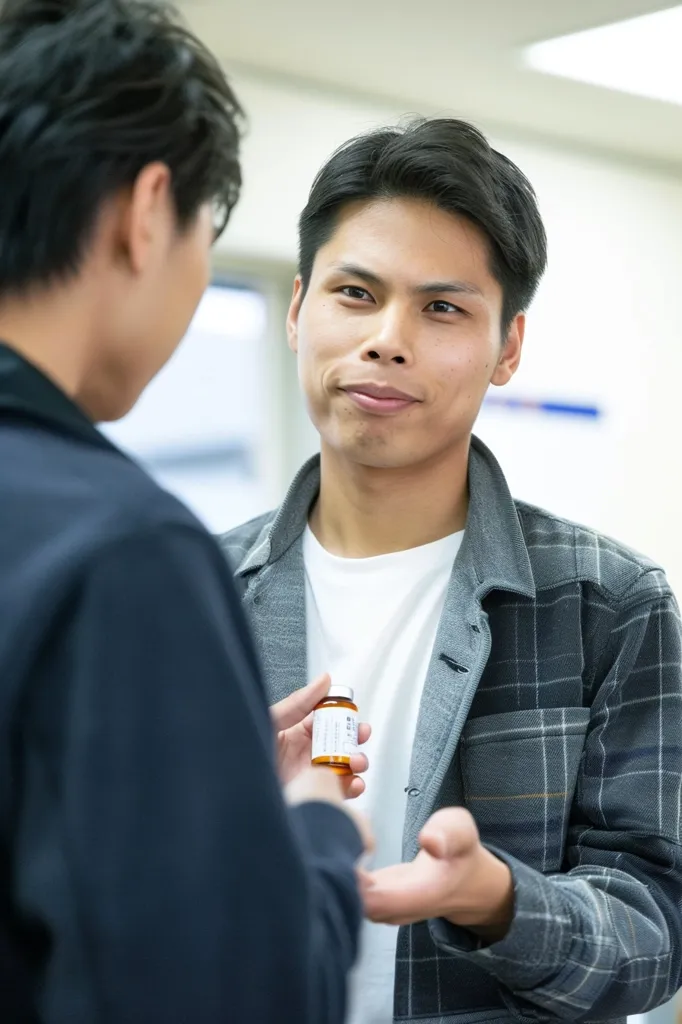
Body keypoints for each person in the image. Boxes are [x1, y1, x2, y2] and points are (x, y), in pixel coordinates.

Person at [221, 117, 682, 1024]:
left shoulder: (609, 604)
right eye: (355, 292)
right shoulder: (193, 593)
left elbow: (658, 930)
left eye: (442, 308)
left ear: (508, 346)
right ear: (297, 308)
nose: (387, 339)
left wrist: (498, 900)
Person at [0, 0, 372, 1021]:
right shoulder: (127, 549)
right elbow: (231, 990)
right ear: (147, 210)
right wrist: (305, 824)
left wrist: (186, 767)